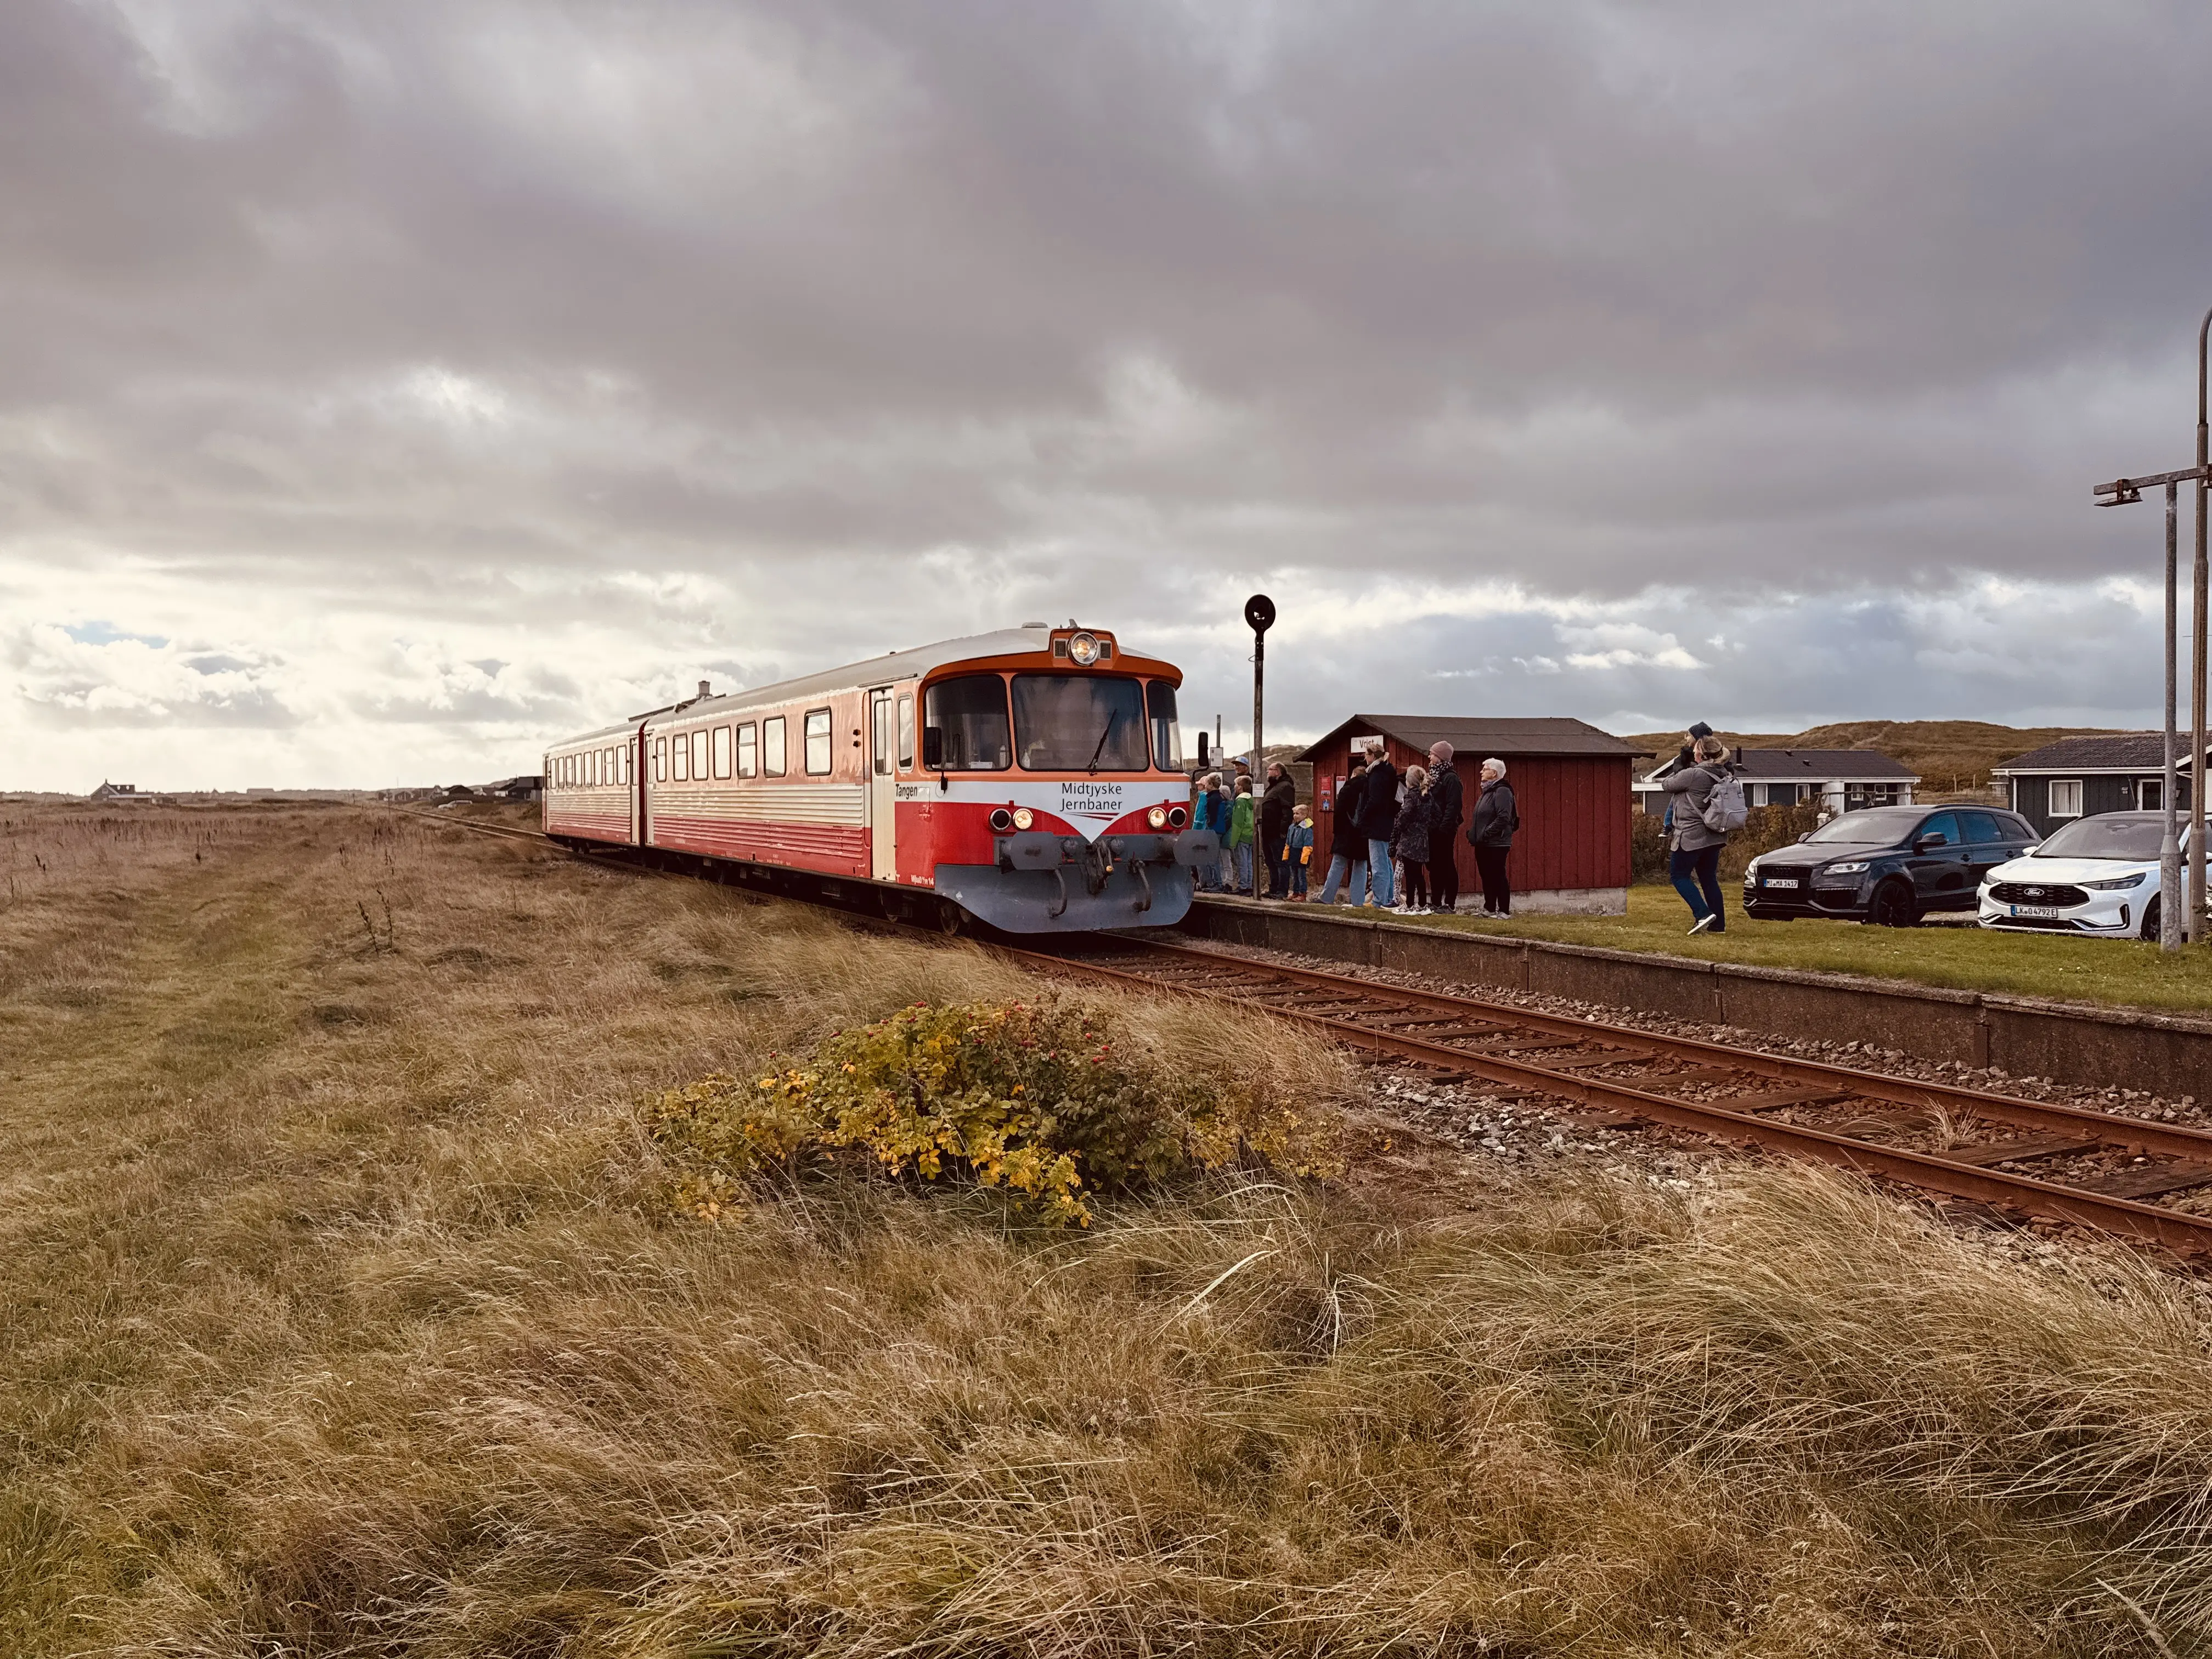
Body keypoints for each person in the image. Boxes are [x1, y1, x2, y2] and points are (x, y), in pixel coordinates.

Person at [1662, 733, 1736, 934]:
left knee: (1679, 876)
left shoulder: (1693, 775)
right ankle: (1718, 925)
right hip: (1714, 835)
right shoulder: (1723, 773)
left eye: (1695, 751)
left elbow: (1667, 785)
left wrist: (1680, 766)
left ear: (1702, 755)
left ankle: (1702, 914)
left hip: (1690, 835)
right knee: (1708, 878)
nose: (1693, 753)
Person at [1467, 757, 1518, 916]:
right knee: (1486, 876)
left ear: (1494, 773)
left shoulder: (1502, 790)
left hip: (1497, 842)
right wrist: (1473, 833)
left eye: (1485, 769)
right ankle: (1489, 908)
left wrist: (1486, 833)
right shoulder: (1487, 791)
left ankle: (1504, 910)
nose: (1481, 772)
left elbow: (1503, 817)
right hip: (1483, 842)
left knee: (1497, 875)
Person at [1318, 759, 1370, 905]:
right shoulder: (1370, 789)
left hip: (1346, 833)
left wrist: (1337, 832)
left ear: (1353, 774)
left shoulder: (1347, 788)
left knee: (1338, 864)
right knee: (1361, 866)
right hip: (1363, 835)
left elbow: (1339, 812)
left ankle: (1327, 897)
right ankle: (1358, 902)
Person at [1355, 740, 1400, 907]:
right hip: (1386, 822)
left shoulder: (1377, 774)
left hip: (1376, 824)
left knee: (1378, 863)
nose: (1365, 758)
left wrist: (1363, 817)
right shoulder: (1388, 771)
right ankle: (1388, 897)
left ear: (1372, 756)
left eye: (1366, 755)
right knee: (1386, 862)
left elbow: (1374, 799)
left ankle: (1378, 900)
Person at [1425, 740, 1464, 914]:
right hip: (1432, 829)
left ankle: (1449, 903)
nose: (1429, 757)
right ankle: (1435, 901)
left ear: (1440, 757)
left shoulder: (1451, 779)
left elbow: (1453, 806)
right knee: (1434, 865)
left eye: (1432, 754)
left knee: (1446, 864)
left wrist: (1443, 828)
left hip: (1444, 831)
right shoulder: (1433, 778)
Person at [1389, 764, 1434, 914]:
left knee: (1409, 874)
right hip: (1423, 839)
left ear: (1409, 782)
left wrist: (1399, 825)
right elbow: (1436, 815)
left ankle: (1409, 905)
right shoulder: (1427, 797)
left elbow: (1405, 815)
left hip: (1409, 839)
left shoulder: (1411, 796)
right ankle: (1422, 905)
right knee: (1418, 874)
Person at [1259, 761, 1297, 899]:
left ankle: (1282, 890)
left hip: (1277, 831)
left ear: (1278, 772)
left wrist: (1283, 829)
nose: (1268, 772)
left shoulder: (1285, 787)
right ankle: (1274, 888)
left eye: (1270, 770)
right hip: (1268, 831)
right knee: (1270, 861)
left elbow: (1288, 810)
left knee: (1281, 862)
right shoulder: (1272, 788)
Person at [1194, 772, 1232, 892]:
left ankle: (1217, 883)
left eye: (1207, 784)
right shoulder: (1220, 798)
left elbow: (1211, 817)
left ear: (1211, 785)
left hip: (1213, 830)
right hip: (1220, 829)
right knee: (1215, 857)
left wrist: (1209, 826)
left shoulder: (1212, 799)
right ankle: (1217, 883)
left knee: (1212, 858)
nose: (1205, 786)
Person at [1227, 776, 1257, 895]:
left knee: (1242, 862)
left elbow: (1238, 823)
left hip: (1242, 835)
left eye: (1235, 784)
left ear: (1240, 786)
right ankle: (1249, 885)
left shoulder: (1240, 801)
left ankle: (1243, 886)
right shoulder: (1252, 800)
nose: (1234, 787)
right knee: (1249, 862)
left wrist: (1233, 841)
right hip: (1251, 834)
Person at [1287, 805, 1314, 899]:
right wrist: (1286, 853)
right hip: (1293, 852)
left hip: (1301, 853)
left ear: (1305, 815)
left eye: (1297, 814)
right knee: (1294, 875)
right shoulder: (1292, 827)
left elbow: (1308, 843)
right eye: (1294, 814)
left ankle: (1302, 893)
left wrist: (1305, 857)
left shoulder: (1307, 828)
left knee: (1301, 875)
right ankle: (1295, 892)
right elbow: (1288, 841)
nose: (1295, 816)